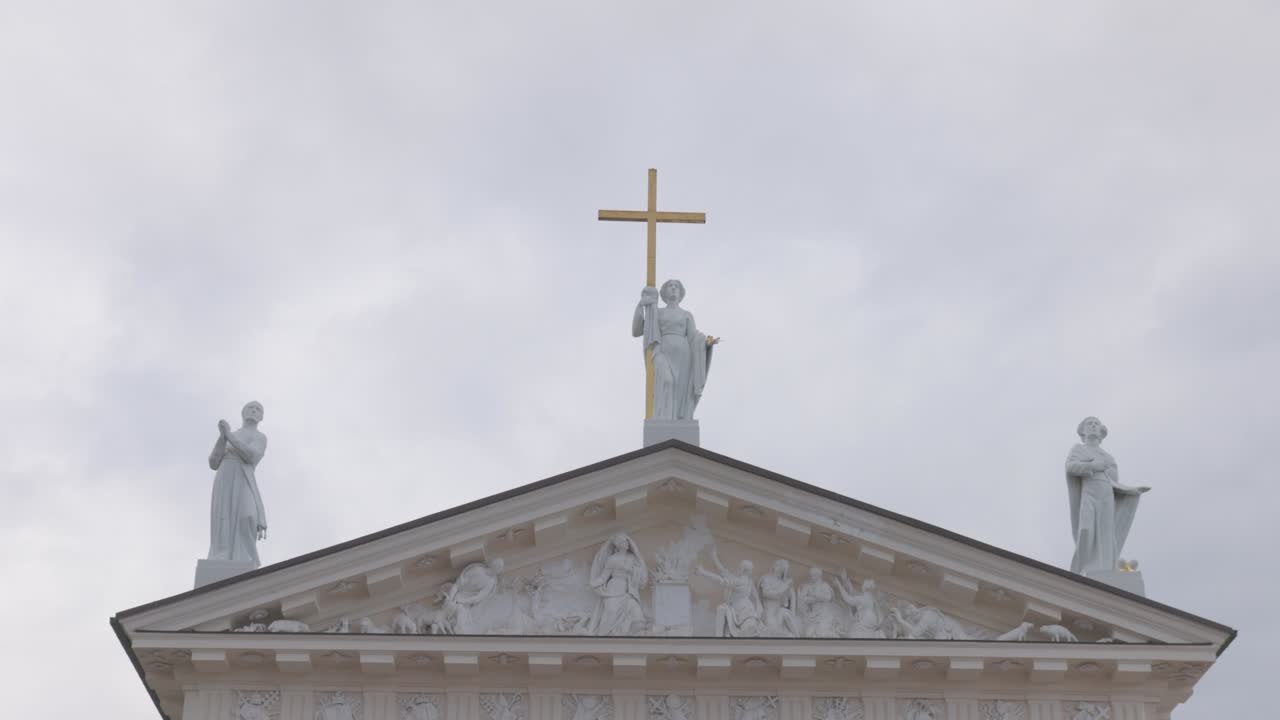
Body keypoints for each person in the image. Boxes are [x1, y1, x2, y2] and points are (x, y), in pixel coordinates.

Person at [1065, 417, 1150, 575]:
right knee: (1086, 530)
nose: (1093, 426)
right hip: (1088, 492)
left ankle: (1105, 569)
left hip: (1105, 493)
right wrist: (1092, 466)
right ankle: (1081, 568)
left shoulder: (1107, 456)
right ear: (1082, 430)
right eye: (1089, 423)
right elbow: (1071, 467)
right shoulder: (1078, 449)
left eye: (1096, 424)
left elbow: (1113, 477)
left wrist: (1132, 491)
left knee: (1106, 532)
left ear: (1101, 432)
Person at [632, 279, 719, 420]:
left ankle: (678, 419)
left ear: (680, 293)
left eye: (676, 286)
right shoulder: (657, 313)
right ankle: (662, 418)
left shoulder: (686, 315)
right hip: (662, 352)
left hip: (683, 355)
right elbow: (637, 331)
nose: (673, 288)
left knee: (680, 389)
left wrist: (705, 342)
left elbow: (693, 337)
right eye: (670, 286)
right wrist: (641, 305)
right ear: (664, 293)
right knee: (667, 381)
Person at [207, 401, 268, 566]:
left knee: (247, 516)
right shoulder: (229, 435)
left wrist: (229, 436)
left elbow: (251, 456)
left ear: (261, 417)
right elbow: (213, 462)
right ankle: (222, 554)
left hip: (244, 477)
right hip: (225, 476)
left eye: (258, 409)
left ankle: (245, 558)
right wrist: (222, 437)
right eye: (250, 408)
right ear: (243, 412)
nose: (254, 411)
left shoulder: (259, 437)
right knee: (224, 516)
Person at [587, 534, 648, 635]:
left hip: (628, 591)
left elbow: (640, 574)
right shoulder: (612, 559)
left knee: (637, 616)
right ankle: (605, 636)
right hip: (614, 589)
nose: (626, 543)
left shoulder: (633, 558)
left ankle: (625, 633)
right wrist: (593, 583)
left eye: (626, 541)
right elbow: (604, 577)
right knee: (611, 611)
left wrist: (632, 571)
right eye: (623, 542)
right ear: (618, 545)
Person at [697, 548, 762, 637]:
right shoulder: (748, 581)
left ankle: (719, 637)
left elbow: (720, 579)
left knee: (722, 609)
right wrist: (715, 558)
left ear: (742, 569)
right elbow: (724, 572)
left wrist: (703, 572)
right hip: (749, 612)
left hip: (740, 612)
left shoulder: (738, 581)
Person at [835, 571, 885, 638]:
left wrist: (839, 585)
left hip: (863, 624)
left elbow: (848, 599)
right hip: (871, 625)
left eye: (863, 584)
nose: (862, 586)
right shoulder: (872, 599)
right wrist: (845, 580)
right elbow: (853, 593)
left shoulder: (862, 598)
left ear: (864, 587)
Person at [757, 559, 800, 637]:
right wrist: (785, 586)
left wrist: (793, 612)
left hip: (779, 611)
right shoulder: (766, 578)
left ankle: (798, 638)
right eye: (777, 565)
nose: (777, 568)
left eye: (781, 567)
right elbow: (767, 594)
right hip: (769, 611)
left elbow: (791, 598)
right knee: (772, 631)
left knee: (786, 614)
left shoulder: (783, 582)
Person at [797, 567, 839, 637]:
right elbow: (803, 599)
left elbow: (828, 597)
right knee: (808, 634)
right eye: (810, 575)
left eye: (812, 575)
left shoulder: (825, 586)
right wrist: (817, 598)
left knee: (822, 633)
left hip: (824, 614)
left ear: (818, 576)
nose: (811, 577)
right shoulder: (807, 587)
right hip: (812, 615)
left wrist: (814, 596)